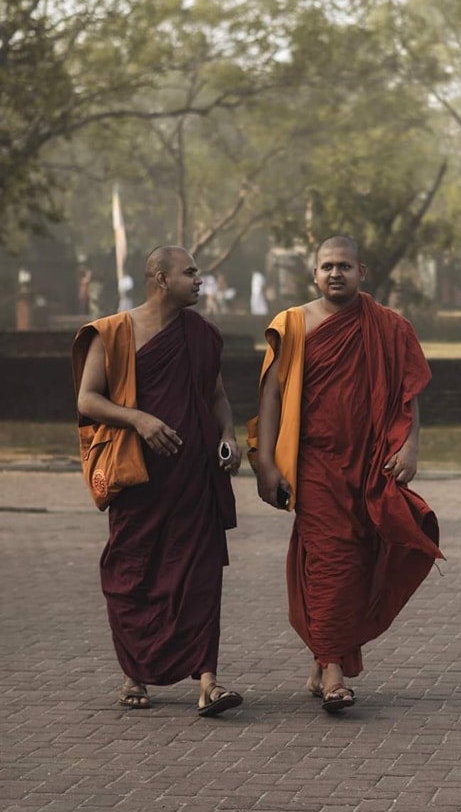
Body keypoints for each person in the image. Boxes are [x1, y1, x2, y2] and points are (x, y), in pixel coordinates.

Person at [252, 235, 442, 713]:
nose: (335, 274)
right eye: (326, 267)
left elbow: (407, 393)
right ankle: (334, 671)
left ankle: (323, 658)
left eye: (345, 266)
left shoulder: (389, 328)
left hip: (369, 461)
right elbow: (272, 397)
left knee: (358, 559)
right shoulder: (292, 324)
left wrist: (412, 447)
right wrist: (268, 464)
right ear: (313, 274)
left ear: (362, 273)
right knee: (331, 556)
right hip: (314, 461)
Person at [73, 245, 244, 716]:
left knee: (201, 577)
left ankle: (208, 681)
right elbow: (88, 399)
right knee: (132, 574)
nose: (199, 279)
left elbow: (217, 396)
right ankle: (135, 675)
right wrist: (139, 420)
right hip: (140, 479)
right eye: (190, 273)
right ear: (160, 278)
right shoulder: (111, 333)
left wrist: (230, 436)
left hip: (195, 479)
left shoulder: (204, 335)